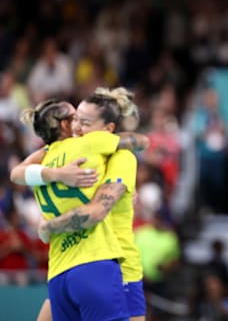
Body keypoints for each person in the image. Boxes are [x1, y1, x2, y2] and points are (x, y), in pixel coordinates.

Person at [10, 96, 148, 321]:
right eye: (76, 120)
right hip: (92, 263)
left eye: (85, 122)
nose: (78, 127)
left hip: (106, 268)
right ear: (64, 124)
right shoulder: (84, 148)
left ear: (107, 129)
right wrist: (58, 175)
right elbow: (96, 211)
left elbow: (16, 173)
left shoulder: (47, 156)